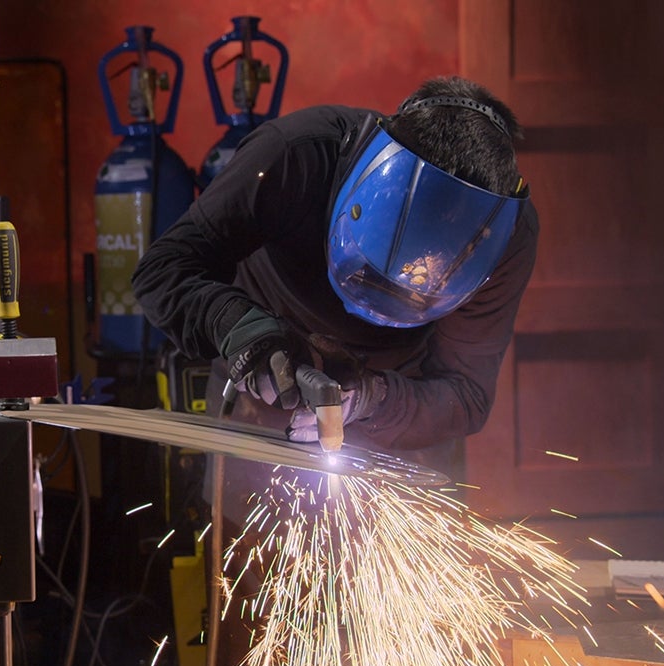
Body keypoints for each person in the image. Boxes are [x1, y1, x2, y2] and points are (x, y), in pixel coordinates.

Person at [131, 75, 538, 480]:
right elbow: (164, 269)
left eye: (418, 291)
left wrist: (373, 399)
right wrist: (242, 330)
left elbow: (465, 395)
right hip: (261, 393)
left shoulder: (503, 238)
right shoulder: (296, 155)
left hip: (399, 419)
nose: (384, 304)